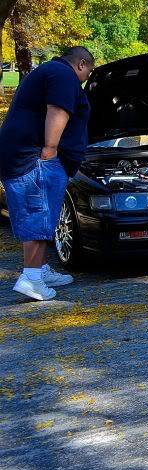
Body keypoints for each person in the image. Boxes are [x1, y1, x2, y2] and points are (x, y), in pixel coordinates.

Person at [0, 47, 94, 301]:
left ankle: (39, 270)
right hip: (35, 157)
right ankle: (31, 279)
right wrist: (50, 149)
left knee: (41, 213)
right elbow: (58, 110)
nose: (86, 78)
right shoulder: (63, 75)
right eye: (89, 72)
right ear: (81, 63)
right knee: (37, 214)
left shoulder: (47, 71)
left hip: (22, 154)